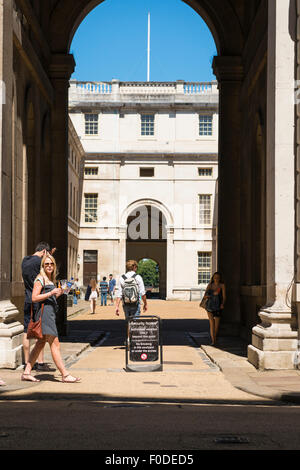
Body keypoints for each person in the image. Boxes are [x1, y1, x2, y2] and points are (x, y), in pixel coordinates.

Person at [21, 253, 81, 383]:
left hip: (49, 313)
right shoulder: (40, 279)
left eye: (51, 264)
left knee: (40, 344)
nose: (49, 266)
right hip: (45, 315)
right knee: (55, 343)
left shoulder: (49, 280)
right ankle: (65, 374)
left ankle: (26, 372)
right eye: (46, 264)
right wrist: (51, 292)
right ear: (43, 266)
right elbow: (34, 297)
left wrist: (57, 293)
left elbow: (48, 298)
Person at [21, 241, 55, 371]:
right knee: (38, 331)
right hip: (37, 300)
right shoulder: (39, 263)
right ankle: (40, 363)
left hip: (27, 298)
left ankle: (27, 362)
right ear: (44, 252)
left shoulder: (24, 260)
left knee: (26, 331)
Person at [202, 272, 226, 345]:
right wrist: (211, 295)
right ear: (213, 278)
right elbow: (205, 296)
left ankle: (214, 339)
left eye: (218, 277)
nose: (216, 279)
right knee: (212, 324)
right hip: (209, 306)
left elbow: (224, 297)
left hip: (218, 306)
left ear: (220, 278)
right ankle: (213, 341)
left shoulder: (222, 285)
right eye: (215, 277)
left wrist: (222, 304)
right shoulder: (210, 285)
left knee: (216, 325)